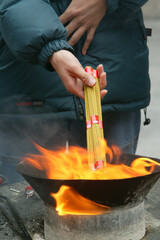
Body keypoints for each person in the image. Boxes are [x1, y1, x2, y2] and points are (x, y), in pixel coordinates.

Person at [0, 0, 150, 184]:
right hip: (26, 83)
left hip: (116, 76)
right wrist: (50, 47)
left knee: (110, 200)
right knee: (21, 204)